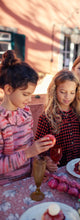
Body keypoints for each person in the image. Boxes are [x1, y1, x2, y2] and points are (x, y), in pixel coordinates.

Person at [0, 50, 55, 185]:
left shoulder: (25, 112)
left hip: (26, 180)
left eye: (31, 94)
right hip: (5, 188)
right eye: (25, 94)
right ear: (8, 90)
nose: (29, 99)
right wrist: (28, 153)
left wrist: (39, 162)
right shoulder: (1, 122)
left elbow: (30, 145)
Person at [35, 69, 80, 173]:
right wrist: (47, 160)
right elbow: (39, 146)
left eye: (72, 92)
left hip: (76, 167)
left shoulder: (78, 114)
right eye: (63, 92)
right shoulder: (46, 117)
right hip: (58, 168)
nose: (67, 97)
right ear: (54, 90)